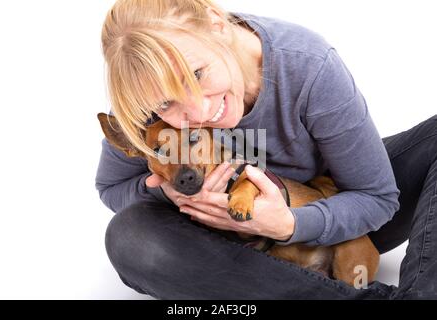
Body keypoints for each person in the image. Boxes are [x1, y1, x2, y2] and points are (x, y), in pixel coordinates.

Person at [96, 0, 437, 299]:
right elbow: (112, 188)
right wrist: (173, 193)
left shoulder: (308, 64)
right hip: (231, 241)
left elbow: (377, 198)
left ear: (216, 24)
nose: (198, 112)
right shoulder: (142, 103)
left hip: (333, 210)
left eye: (196, 75)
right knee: (131, 239)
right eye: (168, 102)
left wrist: (290, 224)